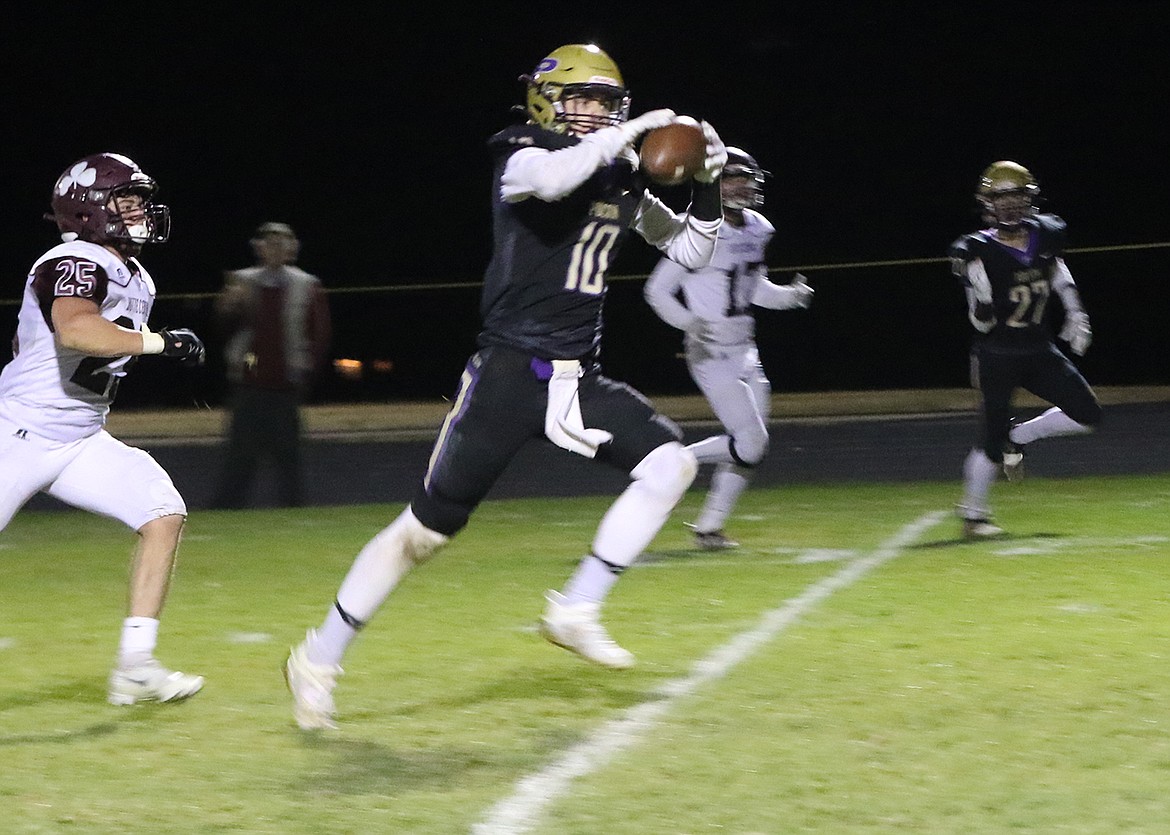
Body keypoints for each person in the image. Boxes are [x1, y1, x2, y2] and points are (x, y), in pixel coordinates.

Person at [284, 42, 727, 730]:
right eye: (582, 99)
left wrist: (705, 181)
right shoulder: (520, 148)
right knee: (424, 532)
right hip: (509, 374)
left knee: (670, 463)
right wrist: (622, 138)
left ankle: (576, 607)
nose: (594, 114)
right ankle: (318, 656)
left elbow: (693, 249)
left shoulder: (617, 176)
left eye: (606, 104)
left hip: (579, 377)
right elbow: (548, 182)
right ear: (547, 99)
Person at [0, 153, 206, 704]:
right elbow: (76, 331)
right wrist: (160, 342)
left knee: (162, 513)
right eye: (126, 199)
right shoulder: (75, 259)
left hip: (79, 438)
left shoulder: (136, 276)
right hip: (16, 434)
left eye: (140, 198)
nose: (139, 210)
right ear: (91, 209)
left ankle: (135, 667)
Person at [644, 147, 812, 550]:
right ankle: (673, 461)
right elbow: (657, 291)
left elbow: (753, 290)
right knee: (751, 443)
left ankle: (709, 528)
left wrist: (791, 297)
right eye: (731, 177)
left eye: (746, 177)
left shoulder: (757, 228)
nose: (742, 185)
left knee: (748, 446)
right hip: (711, 352)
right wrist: (690, 324)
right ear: (712, 184)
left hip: (746, 350)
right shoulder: (697, 231)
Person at [950, 160, 1101, 539]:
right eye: (1001, 198)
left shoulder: (1047, 233)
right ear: (988, 202)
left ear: (1028, 198)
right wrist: (982, 300)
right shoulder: (975, 249)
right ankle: (974, 516)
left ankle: (1021, 436)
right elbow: (980, 322)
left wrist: (1075, 310)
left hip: (1038, 348)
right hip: (997, 354)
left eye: (1016, 195)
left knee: (1087, 413)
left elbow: (1056, 268)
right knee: (989, 440)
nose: (1010, 205)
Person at [212, 222, 331, 508]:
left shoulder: (307, 284)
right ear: (258, 247)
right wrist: (227, 306)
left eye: (282, 243)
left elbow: (319, 333)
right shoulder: (241, 281)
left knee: (289, 458)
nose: (275, 249)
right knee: (239, 456)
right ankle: (227, 510)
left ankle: (293, 509)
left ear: (292, 249)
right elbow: (221, 328)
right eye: (269, 243)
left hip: (286, 385)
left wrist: (306, 372)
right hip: (248, 382)